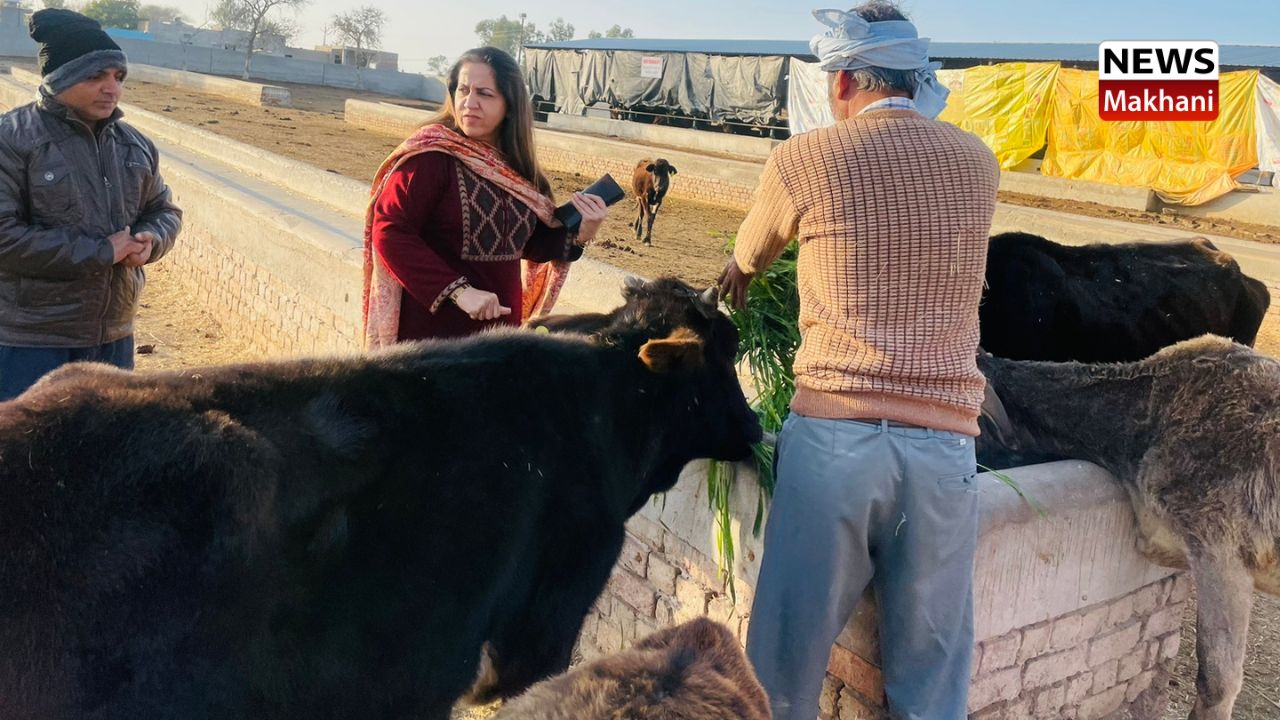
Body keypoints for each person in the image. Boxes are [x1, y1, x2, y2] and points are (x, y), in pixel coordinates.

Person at [718, 4, 999, 719]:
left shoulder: (804, 158)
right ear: (916, 77)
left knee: (782, 666)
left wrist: (743, 276)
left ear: (842, 81)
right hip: (945, 452)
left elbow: (748, 257)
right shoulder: (977, 161)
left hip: (837, 441)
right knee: (932, 679)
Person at [363, 47, 608, 347]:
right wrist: (458, 291)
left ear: (510, 105)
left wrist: (582, 233)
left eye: (484, 93)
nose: (469, 103)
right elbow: (390, 230)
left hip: (499, 341)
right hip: (433, 341)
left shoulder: (518, 172)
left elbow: (529, 245)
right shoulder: (431, 157)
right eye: (463, 90)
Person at [0, 9, 182, 400]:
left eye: (118, 77)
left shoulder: (134, 145)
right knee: (27, 457)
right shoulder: (12, 141)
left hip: (113, 339)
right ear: (59, 79)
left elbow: (164, 210)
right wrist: (101, 251)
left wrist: (152, 238)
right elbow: (4, 237)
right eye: (94, 76)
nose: (111, 88)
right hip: (30, 341)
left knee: (106, 456)